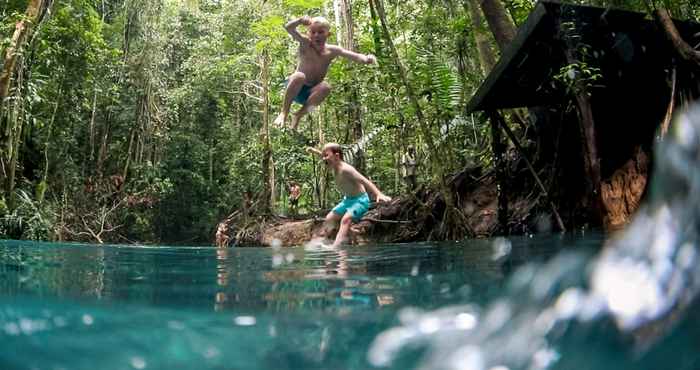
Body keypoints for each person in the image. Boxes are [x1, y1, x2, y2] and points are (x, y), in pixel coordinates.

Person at [274, 16, 376, 131]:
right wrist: (300, 21)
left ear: (328, 34)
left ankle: (298, 115)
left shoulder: (332, 50)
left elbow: (355, 56)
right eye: (313, 32)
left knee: (326, 87)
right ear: (308, 34)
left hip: (309, 95)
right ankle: (283, 113)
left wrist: (366, 59)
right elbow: (289, 28)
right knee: (299, 76)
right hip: (294, 88)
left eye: (321, 32)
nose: (316, 35)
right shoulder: (305, 44)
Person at [305, 143, 391, 248]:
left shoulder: (346, 169)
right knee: (329, 218)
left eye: (326, 155)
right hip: (347, 201)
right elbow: (323, 156)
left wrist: (379, 194)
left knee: (346, 219)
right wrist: (314, 151)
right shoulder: (333, 164)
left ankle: (335, 247)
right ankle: (346, 234)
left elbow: (364, 180)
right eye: (323, 156)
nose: (324, 159)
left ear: (337, 156)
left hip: (360, 201)